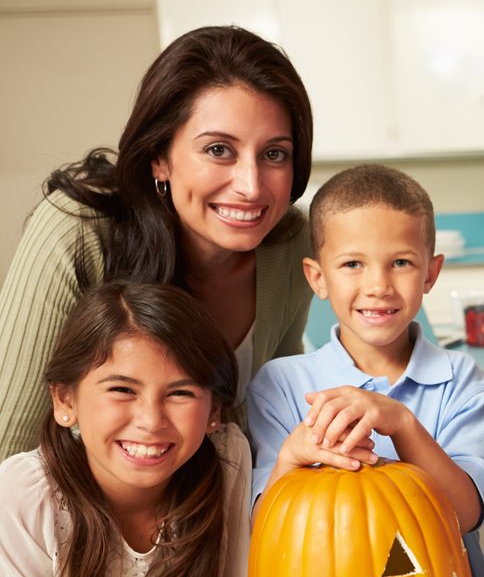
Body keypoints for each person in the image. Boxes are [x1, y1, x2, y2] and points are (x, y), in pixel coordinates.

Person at [0, 25, 315, 460]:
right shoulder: (76, 231)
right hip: (74, 519)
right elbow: (9, 444)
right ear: (160, 157)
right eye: (219, 150)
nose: (250, 185)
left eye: (274, 153)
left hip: (225, 512)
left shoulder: (292, 243)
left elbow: (272, 418)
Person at [0, 282, 256, 577]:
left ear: (214, 412)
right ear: (64, 400)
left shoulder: (229, 461)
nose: (150, 420)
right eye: (122, 389)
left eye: (180, 393)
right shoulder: (21, 493)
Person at [247, 164, 484, 577]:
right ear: (317, 277)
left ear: (431, 273)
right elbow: (265, 534)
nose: (379, 285)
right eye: (352, 264)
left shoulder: (462, 381)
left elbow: (463, 515)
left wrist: (402, 424)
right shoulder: (280, 385)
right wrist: (292, 457)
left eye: (401, 262)